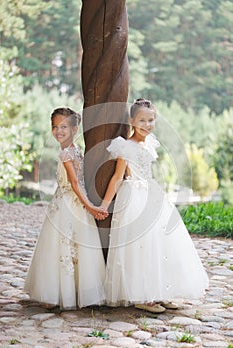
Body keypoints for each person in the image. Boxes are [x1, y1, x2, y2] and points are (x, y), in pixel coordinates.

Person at [100, 98, 209, 313]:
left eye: (151, 120)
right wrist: (104, 205)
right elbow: (117, 178)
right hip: (134, 197)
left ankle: (162, 291)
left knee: (162, 244)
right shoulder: (125, 146)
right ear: (132, 121)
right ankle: (143, 295)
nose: (147, 125)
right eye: (142, 120)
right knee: (141, 247)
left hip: (152, 194)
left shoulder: (149, 143)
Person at [24, 107, 108, 310]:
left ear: (74, 128)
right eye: (55, 127)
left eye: (63, 126)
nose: (58, 131)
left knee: (70, 246)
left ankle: (70, 292)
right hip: (69, 204)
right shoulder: (72, 151)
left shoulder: (68, 153)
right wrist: (90, 206)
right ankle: (68, 292)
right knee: (66, 246)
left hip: (71, 204)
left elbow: (75, 183)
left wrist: (90, 207)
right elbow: (74, 183)